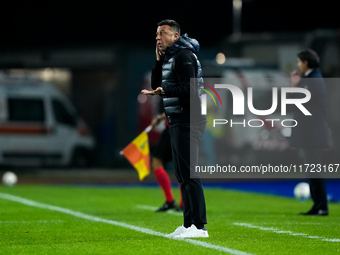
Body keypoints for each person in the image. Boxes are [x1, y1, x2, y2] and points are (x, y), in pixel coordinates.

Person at [141, 19, 208, 238]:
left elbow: (188, 88)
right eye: (157, 34)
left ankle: (199, 227)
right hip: (178, 120)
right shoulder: (170, 57)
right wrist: (159, 60)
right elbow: (155, 83)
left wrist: (165, 91)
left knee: (190, 173)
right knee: (181, 174)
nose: (157, 37)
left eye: (162, 33)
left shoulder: (184, 55)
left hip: (190, 120)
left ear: (175, 36)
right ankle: (188, 225)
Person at [290, 49, 330, 216]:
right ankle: (318, 205)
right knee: (312, 169)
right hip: (311, 132)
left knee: (314, 169)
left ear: (306, 62)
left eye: (300, 62)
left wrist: (295, 85)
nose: (298, 65)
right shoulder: (312, 78)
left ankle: (321, 206)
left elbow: (299, 102)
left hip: (312, 133)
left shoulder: (312, 79)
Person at [150, 112, 183, 212]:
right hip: (180, 128)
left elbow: (178, 106)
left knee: (157, 162)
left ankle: (172, 201)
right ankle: (180, 203)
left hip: (174, 128)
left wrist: (160, 117)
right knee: (183, 165)